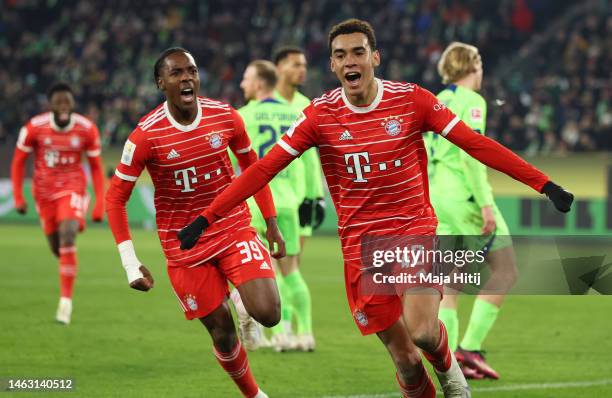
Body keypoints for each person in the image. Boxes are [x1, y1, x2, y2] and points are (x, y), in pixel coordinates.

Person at [178, 19, 573, 398]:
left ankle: (450, 367)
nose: (350, 61)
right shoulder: (319, 115)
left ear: (375, 58)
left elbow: (475, 144)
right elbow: (264, 167)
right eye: (340, 55)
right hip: (360, 249)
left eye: (358, 52)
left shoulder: (412, 100)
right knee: (405, 360)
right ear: (332, 64)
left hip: (412, 231)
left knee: (422, 333)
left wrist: (544, 183)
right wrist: (207, 216)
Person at [105, 47, 284, 398]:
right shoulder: (146, 135)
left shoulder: (226, 117)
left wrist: (271, 221)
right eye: (177, 73)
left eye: (192, 71)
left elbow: (254, 171)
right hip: (184, 244)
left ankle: (241, 297)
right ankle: (254, 395)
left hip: (232, 226)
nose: (187, 78)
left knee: (270, 313)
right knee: (222, 332)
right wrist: (130, 263)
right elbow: (115, 199)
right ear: (161, 83)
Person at [424, 42, 517, 380]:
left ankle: (448, 361)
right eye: (479, 64)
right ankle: (469, 349)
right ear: (471, 66)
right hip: (464, 196)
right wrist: (486, 204)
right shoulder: (471, 102)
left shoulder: (436, 100)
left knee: (451, 284)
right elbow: (472, 154)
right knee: (505, 270)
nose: (482, 71)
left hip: (438, 196)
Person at [11, 82, 105, 325]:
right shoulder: (34, 127)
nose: (63, 105)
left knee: (67, 234)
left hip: (72, 188)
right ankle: (70, 231)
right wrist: (18, 197)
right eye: (58, 101)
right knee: (57, 247)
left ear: (73, 103)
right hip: (44, 194)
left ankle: (65, 304)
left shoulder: (86, 129)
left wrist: (99, 203)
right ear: (51, 104)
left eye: (67, 101)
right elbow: (18, 162)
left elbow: (96, 167)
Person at [237, 59, 313, 352]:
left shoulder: (244, 115)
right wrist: (308, 197)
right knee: (292, 271)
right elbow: (307, 161)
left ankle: (280, 334)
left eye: (246, 78)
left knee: (268, 272)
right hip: (290, 203)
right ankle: (305, 334)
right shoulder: (295, 114)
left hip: (259, 204)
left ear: (258, 84)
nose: (243, 84)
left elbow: (233, 162)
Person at [273, 46, 323, 348]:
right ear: (278, 68)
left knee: (290, 267)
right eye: (295, 65)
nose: (302, 70)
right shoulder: (268, 103)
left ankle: (294, 331)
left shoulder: (307, 105)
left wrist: (315, 196)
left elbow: (311, 159)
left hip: (299, 197)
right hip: (277, 196)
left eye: (304, 65)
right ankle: (289, 329)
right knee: (281, 267)